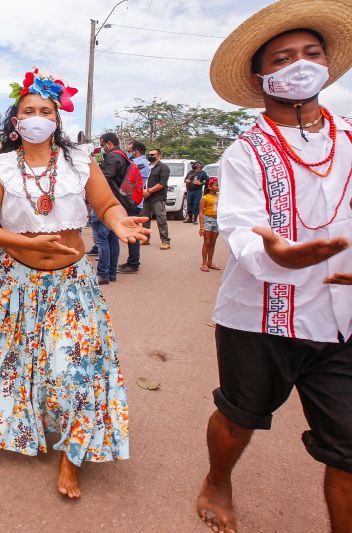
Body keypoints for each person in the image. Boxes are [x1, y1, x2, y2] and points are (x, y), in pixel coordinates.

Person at [0, 68, 147, 499]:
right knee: (14, 364)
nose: (36, 117)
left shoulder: (79, 161)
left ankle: (72, 456)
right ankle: (19, 421)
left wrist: (118, 222)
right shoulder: (1, 166)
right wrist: (25, 239)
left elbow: (104, 203)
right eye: (27, 110)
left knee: (77, 368)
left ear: (57, 119)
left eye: (44, 110)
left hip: (70, 283)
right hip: (14, 282)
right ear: (16, 122)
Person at [197, 4, 352, 531]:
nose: (300, 65)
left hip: (342, 320)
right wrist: (277, 254)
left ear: (328, 64)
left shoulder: (351, 138)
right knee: (240, 417)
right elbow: (241, 225)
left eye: (311, 54)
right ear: (262, 76)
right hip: (260, 318)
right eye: (283, 58)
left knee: (348, 447)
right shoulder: (246, 152)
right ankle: (219, 478)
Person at [94, 132, 129, 284]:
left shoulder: (113, 157)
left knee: (102, 239)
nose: (102, 149)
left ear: (109, 144)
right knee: (112, 239)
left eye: (102, 145)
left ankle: (103, 274)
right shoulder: (123, 156)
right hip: (117, 202)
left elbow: (104, 178)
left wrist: (94, 169)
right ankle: (111, 273)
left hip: (105, 202)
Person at [117, 140, 150, 274]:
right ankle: (132, 261)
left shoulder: (139, 163)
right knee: (132, 231)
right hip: (134, 201)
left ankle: (133, 263)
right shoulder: (139, 162)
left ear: (136, 151)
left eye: (130, 151)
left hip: (133, 202)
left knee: (132, 231)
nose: (128, 153)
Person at [141, 148, 171, 250]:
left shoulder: (163, 167)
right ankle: (145, 239)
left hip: (158, 198)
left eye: (153, 155)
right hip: (146, 198)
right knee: (145, 220)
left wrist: (149, 191)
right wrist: (144, 191)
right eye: (149, 154)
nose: (150, 156)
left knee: (161, 220)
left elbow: (162, 184)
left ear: (159, 156)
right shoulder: (147, 167)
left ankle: (165, 242)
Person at [198, 177, 220, 273]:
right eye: (216, 185)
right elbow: (201, 213)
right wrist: (202, 227)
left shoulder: (220, 197)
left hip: (217, 221)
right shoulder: (205, 197)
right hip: (208, 220)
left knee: (213, 242)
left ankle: (210, 262)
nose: (218, 187)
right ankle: (204, 263)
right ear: (210, 187)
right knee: (207, 242)